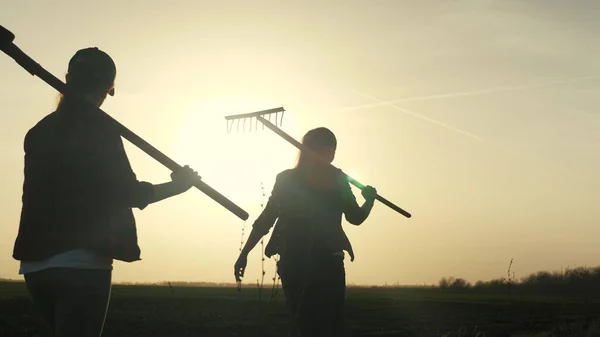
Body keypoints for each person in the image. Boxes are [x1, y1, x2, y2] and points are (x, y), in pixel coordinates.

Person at [12, 47, 200, 337]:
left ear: (68, 79)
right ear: (108, 89)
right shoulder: (101, 129)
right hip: (82, 264)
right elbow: (130, 195)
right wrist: (179, 185)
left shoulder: (38, 132)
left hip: (36, 267)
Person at [234, 127, 377, 337]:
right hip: (318, 263)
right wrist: (370, 200)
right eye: (328, 151)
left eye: (332, 152)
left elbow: (266, 220)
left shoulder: (288, 180)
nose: (330, 157)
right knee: (325, 327)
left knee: (309, 325)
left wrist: (244, 253)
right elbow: (356, 217)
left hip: (297, 262)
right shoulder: (334, 180)